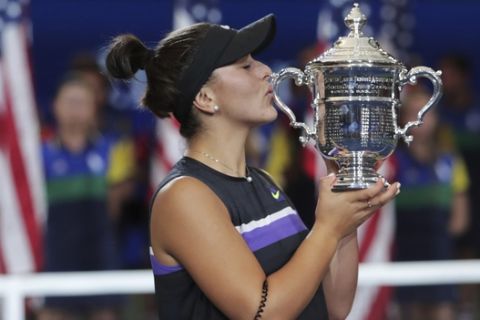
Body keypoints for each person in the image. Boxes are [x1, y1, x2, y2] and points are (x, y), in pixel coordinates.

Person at [105, 14, 400, 319]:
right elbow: (263, 312)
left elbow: (334, 307)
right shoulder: (183, 196)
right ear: (205, 98)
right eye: (245, 65)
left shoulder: (262, 182)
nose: (265, 71)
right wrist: (327, 228)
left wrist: (345, 220)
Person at [39, 73, 133, 320]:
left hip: (99, 248)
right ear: (55, 106)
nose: (75, 109)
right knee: (52, 314)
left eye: (82, 103)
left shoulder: (115, 148)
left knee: (105, 314)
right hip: (55, 252)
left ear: (94, 109)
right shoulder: (38, 155)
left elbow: (116, 204)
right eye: (69, 102)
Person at [392, 87, 470, 320]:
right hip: (403, 251)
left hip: (438, 251)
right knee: (411, 312)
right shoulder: (392, 163)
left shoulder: (450, 161)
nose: (419, 120)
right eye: (413, 113)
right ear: (402, 118)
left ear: (436, 118)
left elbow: (460, 219)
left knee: (442, 311)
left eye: (426, 113)